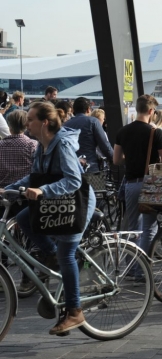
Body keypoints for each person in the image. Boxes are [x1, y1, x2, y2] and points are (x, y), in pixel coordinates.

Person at [4, 102, 96, 335]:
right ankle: (51, 255)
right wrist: (8, 189)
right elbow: (33, 177)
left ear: (45, 122)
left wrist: (43, 191)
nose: (27, 123)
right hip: (57, 201)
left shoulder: (62, 144)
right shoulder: (41, 146)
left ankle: (75, 311)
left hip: (76, 202)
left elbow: (74, 180)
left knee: (66, 254)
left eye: (31, 119)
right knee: (24, 219)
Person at [113, 95, 162, 253]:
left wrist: (132, 158)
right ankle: (143, 266)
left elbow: (116, 160)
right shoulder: (156, 133)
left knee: (132, 228)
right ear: (151, 111)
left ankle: (131, 264)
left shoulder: (122, 131)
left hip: (130, 184)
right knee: (149, 228)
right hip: (150, 184)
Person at [66, 97, 114, 173]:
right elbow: (104, 146)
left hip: (71, 168)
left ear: (74, 110)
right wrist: (114, 158)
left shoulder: (66, 124)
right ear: (88, 109)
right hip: (90, 167)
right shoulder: (93, 122)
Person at [0, 110, 37, 187]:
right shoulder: (33, 145)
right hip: (25, 190)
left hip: (2, 190)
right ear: (26, 126)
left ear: (9, 126)